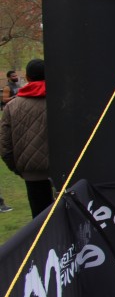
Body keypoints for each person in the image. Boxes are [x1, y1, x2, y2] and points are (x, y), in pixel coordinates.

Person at [1, 59, 53, 217]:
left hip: (33, 171)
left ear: (28, 77)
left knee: (41, 220)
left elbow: (5, 146)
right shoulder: (63, 100)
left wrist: (19, 168)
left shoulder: (12, 106)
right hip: (61, 170)